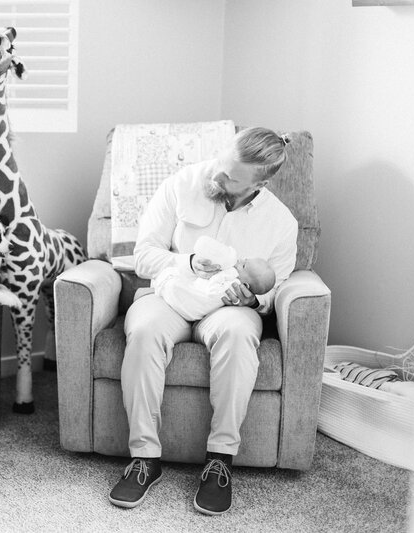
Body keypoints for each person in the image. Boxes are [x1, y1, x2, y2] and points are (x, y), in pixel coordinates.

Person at [108, 127, 297, 514]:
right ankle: (144, 458)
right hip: (171, 296)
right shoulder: (183, 183)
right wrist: (188, 262)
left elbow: (278, 285)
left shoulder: (281, 223)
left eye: (231, 177)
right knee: (142, 331)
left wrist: (254, 298)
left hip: (227, 309)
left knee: (239, 334)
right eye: (221, 164)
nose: (218, 176)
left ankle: (219, 461)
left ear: (260, 182)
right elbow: (143, 255)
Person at [152, 235, 276, 322]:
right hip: (189, 285)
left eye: (243, 265)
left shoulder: (233, 285)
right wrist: (190, 262)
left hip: (195, 308)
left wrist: (253, 302)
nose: (240, 260)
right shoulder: (232, 275)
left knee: (173, 286)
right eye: (244, 259)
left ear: (246, 285)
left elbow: (212, 292)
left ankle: (161, 286)